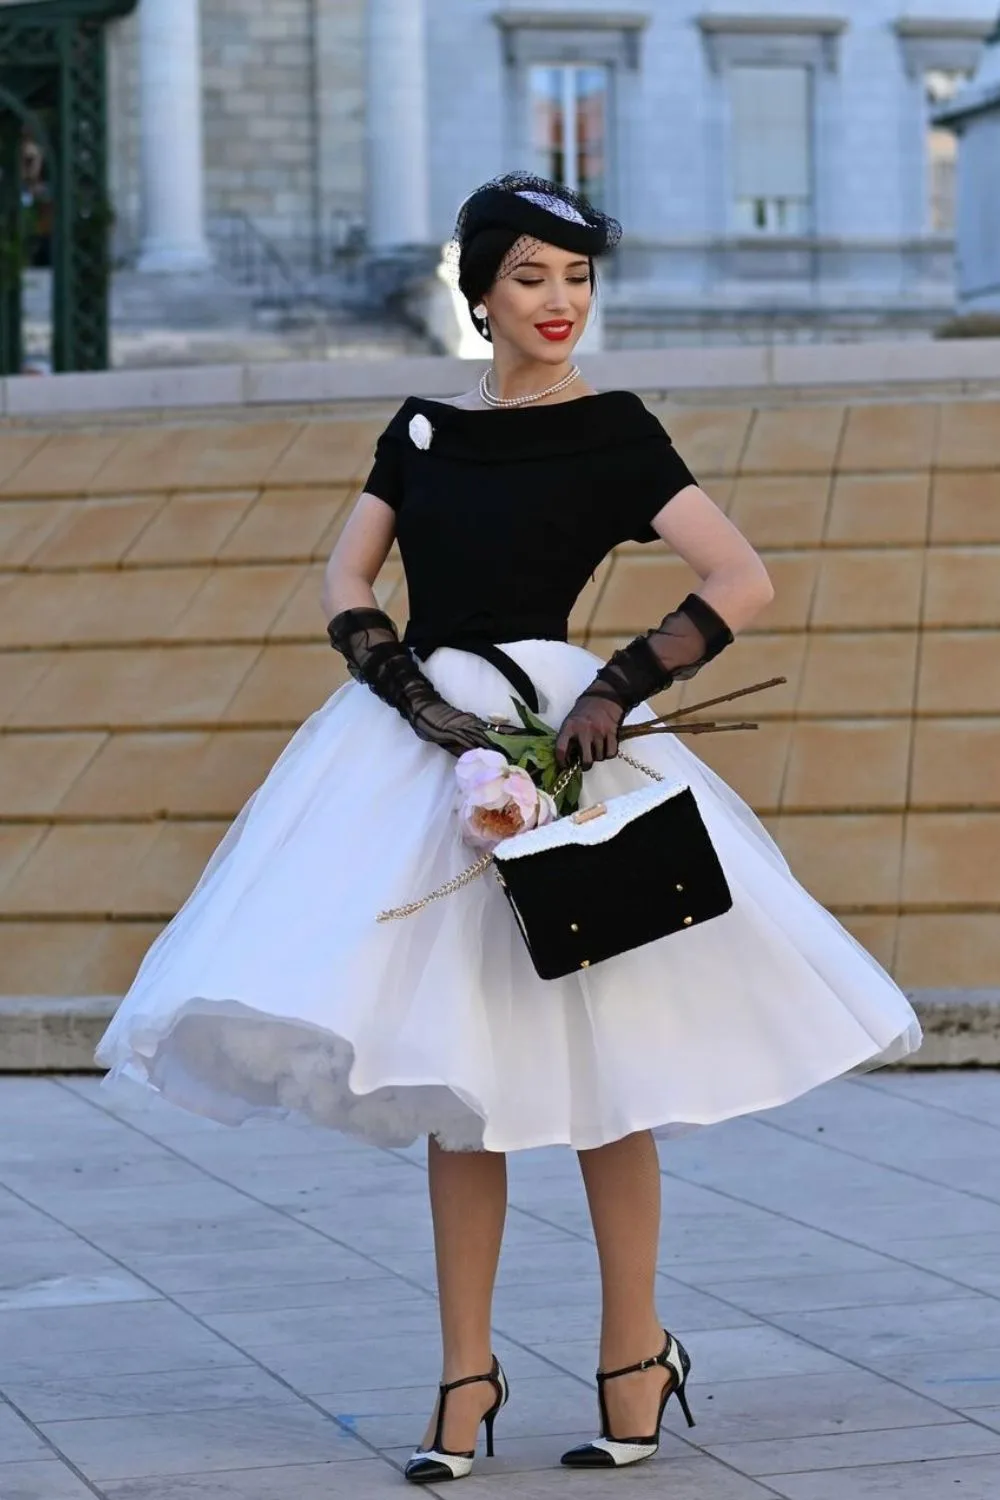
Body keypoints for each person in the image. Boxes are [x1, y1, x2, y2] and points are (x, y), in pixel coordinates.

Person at [96, 172, 921, 1485]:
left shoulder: (616, 430)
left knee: (614, 1078)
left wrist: (613, 689)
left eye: (579, 279)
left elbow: (741, 577)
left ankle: (633, 1359)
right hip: (418, 754)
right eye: (532, 276)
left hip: (564, 742)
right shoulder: (422, 430)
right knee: (457, 1083)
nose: (560, 302)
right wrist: (412, 698)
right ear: (479, 289)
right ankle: (464, 1382)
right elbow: (347, 579)